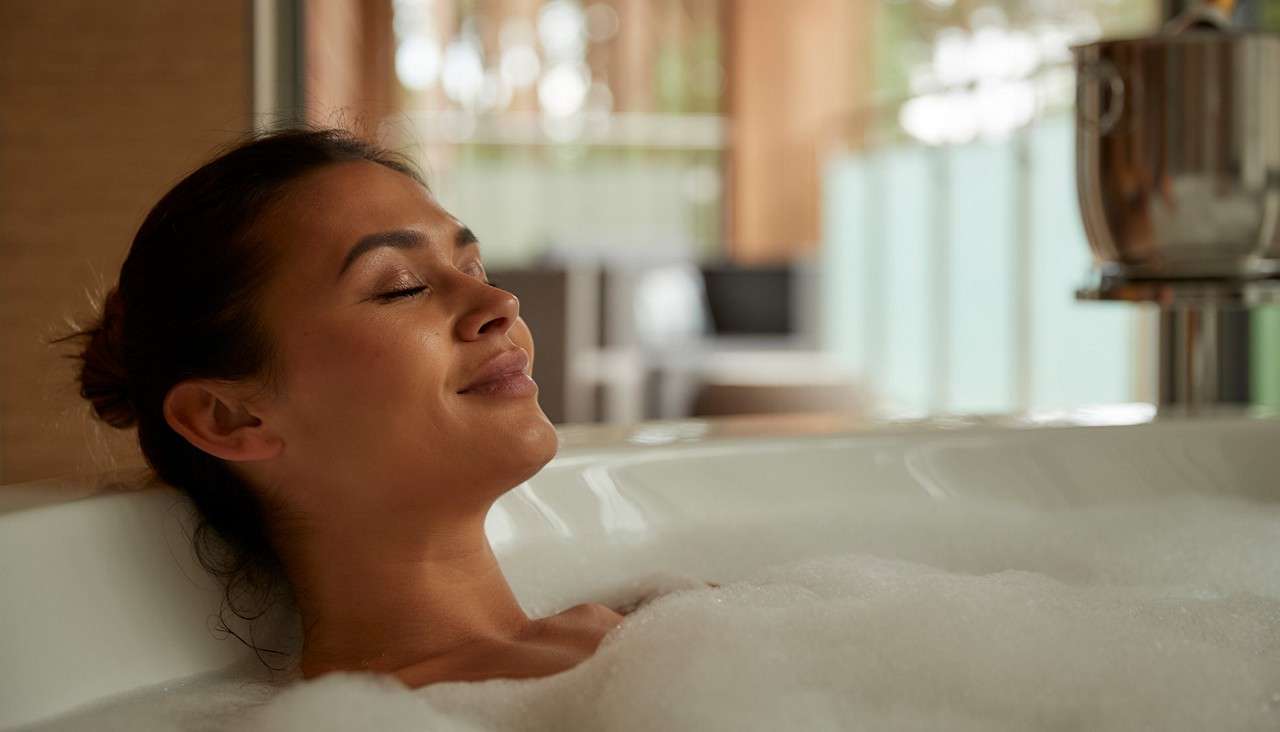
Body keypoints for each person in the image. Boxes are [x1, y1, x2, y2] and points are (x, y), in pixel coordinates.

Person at [68, 128, 623, 687]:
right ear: (229, 418)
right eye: (400, 287)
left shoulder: (626, 633)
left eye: (474, 268)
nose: (501, 302)